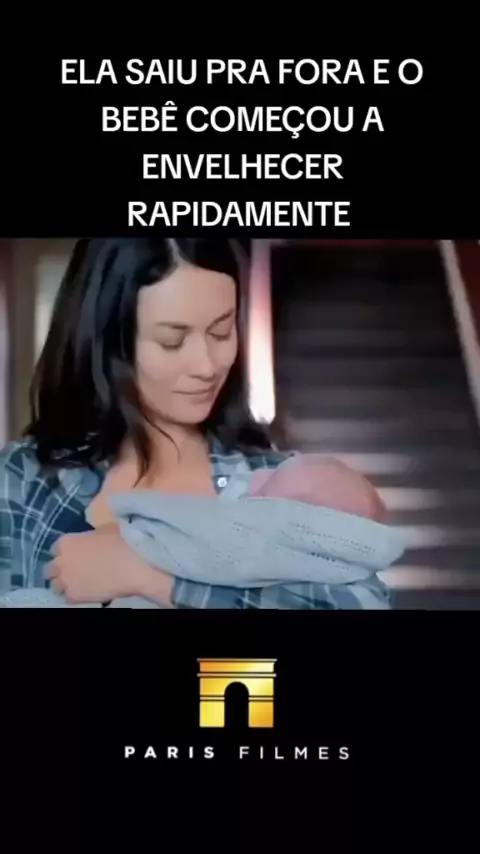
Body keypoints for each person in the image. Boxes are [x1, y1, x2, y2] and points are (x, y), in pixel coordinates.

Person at [0, 237, 393, 609]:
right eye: (172, 341)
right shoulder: (26, 477)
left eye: (221, 332)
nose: (206, 366)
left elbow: (362, 603)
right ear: (108, 343)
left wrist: (154, 580)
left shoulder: (283, 485)